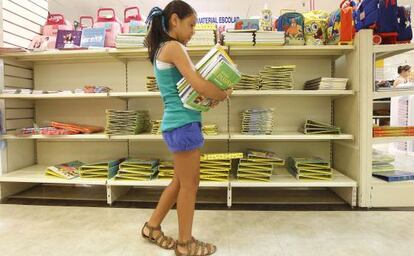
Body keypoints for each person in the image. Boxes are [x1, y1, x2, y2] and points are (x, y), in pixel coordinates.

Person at [141, 1, 232, 255]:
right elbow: (200, 85)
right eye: (191, 24)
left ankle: (152, 227)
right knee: (190, 184)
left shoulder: (163, 48)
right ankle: (185, 244)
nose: (193, 30)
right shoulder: (174, 47)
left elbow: (191, 92)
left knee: (179, 183)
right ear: (174, 21)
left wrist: (210, 97)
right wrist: (223, 93)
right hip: (183, 124)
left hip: (179, 122)